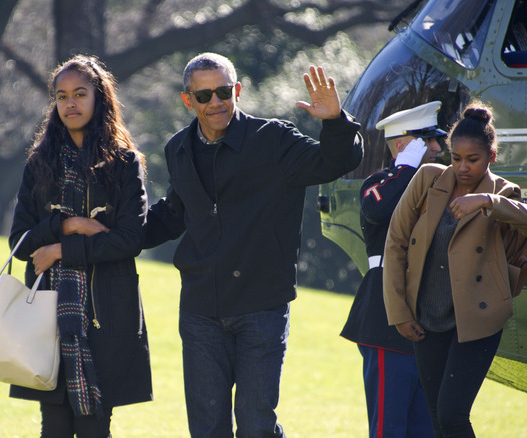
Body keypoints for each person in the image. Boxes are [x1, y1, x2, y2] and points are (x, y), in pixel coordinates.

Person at [144, 52, 363, 437]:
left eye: (224, 91)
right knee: (207, 428)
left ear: (238, 91)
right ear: (187, 100)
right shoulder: (177, 148)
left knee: (255, 426)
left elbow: (334, 161)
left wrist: (335, 122)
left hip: (261, 307)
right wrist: (115, 234)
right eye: (204, 95)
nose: (216, 102)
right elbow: (173, 215)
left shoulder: (274, 139)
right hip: (200, 312)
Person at [9, 55, 151, 437]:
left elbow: (129, 240)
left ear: (99, 98)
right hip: (47, 317)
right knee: (53, 427)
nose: (70, 103)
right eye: (61, 96)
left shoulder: (124, 164)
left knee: (93, 426)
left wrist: (58, 249)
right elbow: (20, 243)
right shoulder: (39, 163)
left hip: (105, 316)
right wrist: (68, 225)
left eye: (80, 94)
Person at [383, 103, 527, 437]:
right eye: (456, 158)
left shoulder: (503, 192)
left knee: (452, 415)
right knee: (437, 419)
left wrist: (486, 202)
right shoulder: (428, 178)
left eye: (473, 160)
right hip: (426, 318)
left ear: (491, 156)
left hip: (477, 320)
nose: (463, 168)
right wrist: (399, 311)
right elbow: (396, 242)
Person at [340, 101, 446, 438]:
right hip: (388, 312)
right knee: (390, 427)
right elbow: (378, 209)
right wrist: (405, 170)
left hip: (431, 314)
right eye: (427, 140)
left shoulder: (443, 187)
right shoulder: (381, 183)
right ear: (404, 146)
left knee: (427, 429)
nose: (438, 148)